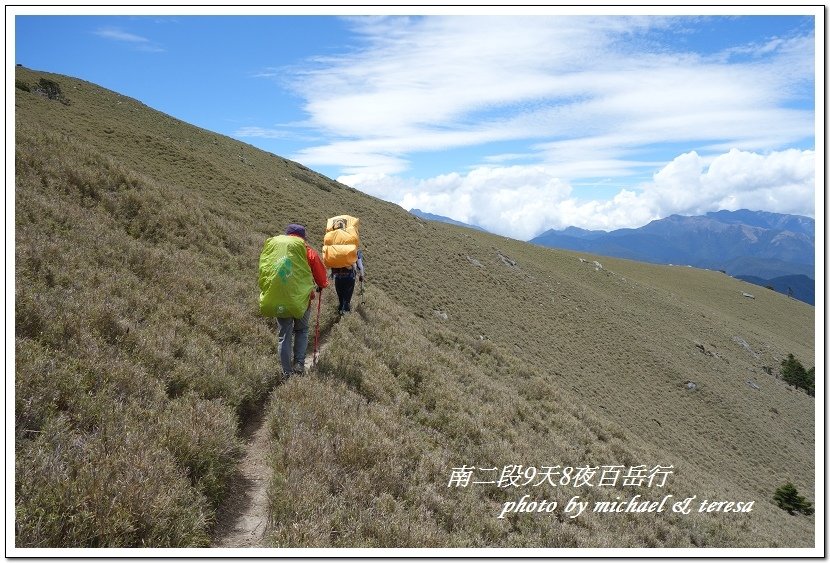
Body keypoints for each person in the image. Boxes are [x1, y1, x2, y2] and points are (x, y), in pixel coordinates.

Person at [277, 223, 328, 378]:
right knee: (302, 330)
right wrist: (322, 285)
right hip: (302, 300)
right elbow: (321, 278)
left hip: (281, 298)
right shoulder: (308, 252)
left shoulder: (277, 251)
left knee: (284, 334)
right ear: (303, 238)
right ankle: (299, 363)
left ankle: (286, 371)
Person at [331, 249, 364, 315]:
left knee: (341, 298)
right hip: (350, 278)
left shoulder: (337, 249)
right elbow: (360, 266)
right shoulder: (356, 251)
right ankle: (345, 315)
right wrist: (361, 275)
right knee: (347, 298)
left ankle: (340, 312)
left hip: (338, 277)